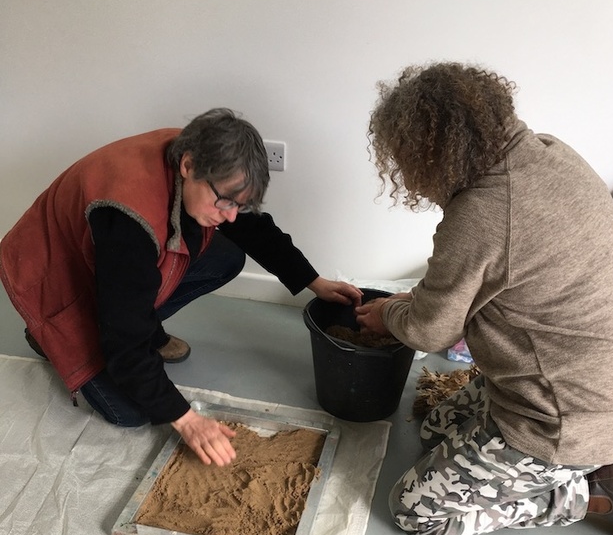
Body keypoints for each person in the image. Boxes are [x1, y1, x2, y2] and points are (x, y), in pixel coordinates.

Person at [355, 61, 613, 535]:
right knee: (435, 427)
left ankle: (589, 493)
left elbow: (428, 333)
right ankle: (592, 462)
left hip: (559, 421)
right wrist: (415, 302)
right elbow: (490, 281)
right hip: (596, 382)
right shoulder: (552, 152)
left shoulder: (483, 214)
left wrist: (388, 313)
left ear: (427, 152)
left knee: (413, 512)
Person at [0, 109, 362, 465]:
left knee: (226, 257)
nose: (232, 215)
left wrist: (314, 281)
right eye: (225, 202)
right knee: (131, 413)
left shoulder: (205, 159)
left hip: (111, 269)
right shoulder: (129, 217)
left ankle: (140, 328)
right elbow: (124, 341)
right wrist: (186, 419)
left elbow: (253, 228)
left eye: (241, 204)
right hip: (54, 280)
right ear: (188, 166)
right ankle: (46, 335)